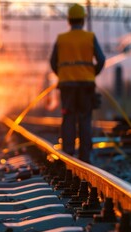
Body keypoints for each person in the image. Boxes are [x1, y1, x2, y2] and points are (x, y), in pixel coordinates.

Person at [49, 3, 105, 163]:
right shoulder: (90, 37)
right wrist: (92, 73)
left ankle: (68, 155)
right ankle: (85, 157)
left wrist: (63, 74)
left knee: (68, 117)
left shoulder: (61, 39)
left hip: (67, 86)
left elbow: (53, 62)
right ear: (83, 20)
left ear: (69, 20)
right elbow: (101, 60)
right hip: (86, 86)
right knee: (85, 118)